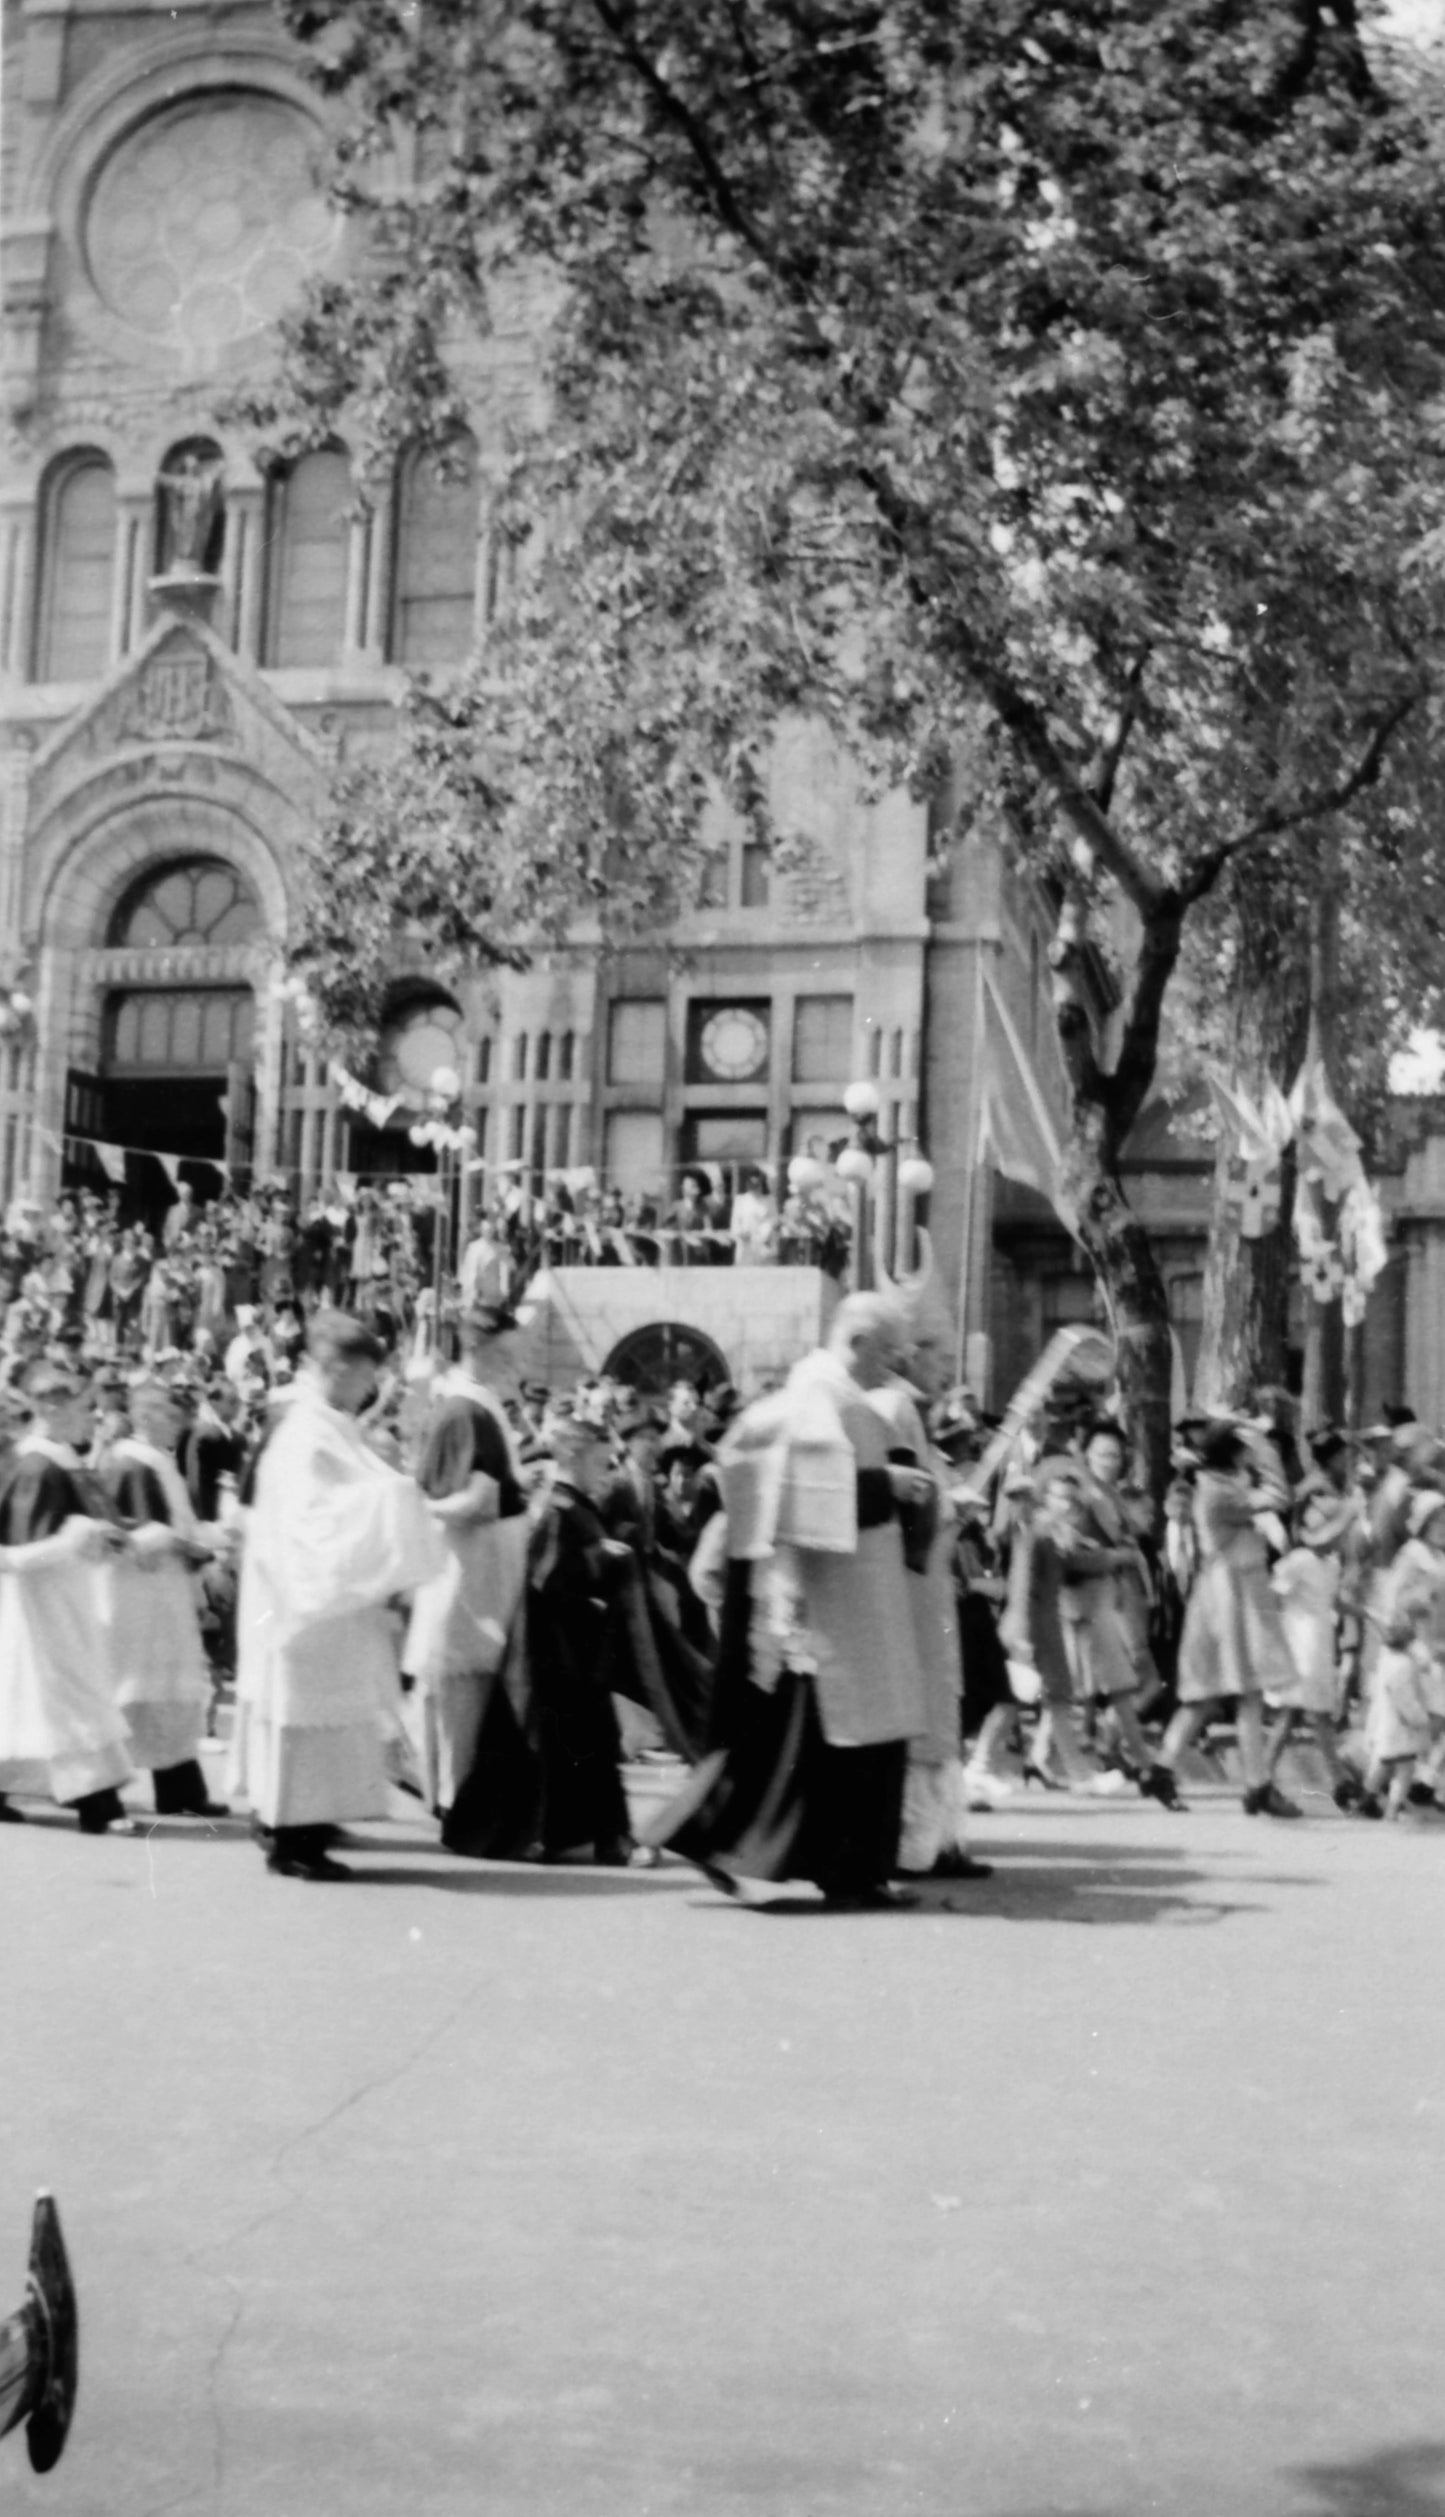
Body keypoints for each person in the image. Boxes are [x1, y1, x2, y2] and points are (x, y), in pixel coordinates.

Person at [645, 1294, 928, 1907]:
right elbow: (798, 1495)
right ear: (855, 1342)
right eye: (888, 1351)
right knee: (804, 1748)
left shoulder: (831, 1394)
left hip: (846, 1593)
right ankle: (848, 1873)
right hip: (827, 1604)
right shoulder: (818, 1396)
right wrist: (888, 1484)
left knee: (788, 1749)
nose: (894, 1365)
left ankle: (841, 1870)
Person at [231, 1313, 446, 1880]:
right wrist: (394, 1498)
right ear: (339, 1368)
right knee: (306, 1721)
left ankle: (309, 1824)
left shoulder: (326, 1423)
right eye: (364, 1375)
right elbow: (312, 1520)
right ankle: (293, 1840)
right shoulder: (305, 1431)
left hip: (327, 1609)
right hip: (305, 1605)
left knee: (325, 1722)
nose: (369, 1387)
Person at [402, 1319, 530, 1846]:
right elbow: (473, 1501)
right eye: (507, 1355)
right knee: (462, 1696)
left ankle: (454, 1799)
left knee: (461, 1693)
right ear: (479, 1350)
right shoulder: (467, 1408)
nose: (515, 1367)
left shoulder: (472, 1404)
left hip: (479, 1570)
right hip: (470, 1572)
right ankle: (457, 1806)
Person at [0, 1362, 136, 1833]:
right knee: (65, 1692)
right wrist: (75, 1538)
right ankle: (97, 1803)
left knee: (39, 1694)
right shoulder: (36, 1463)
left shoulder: (57, 1457)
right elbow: (16, 1554)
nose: (91, 1419)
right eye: (82, 1409)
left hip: (68, 1593)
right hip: (45, 1601)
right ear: (51, 1408)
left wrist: (99, 1538)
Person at [1143, 1422, 1299, 1817]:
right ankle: (1252, 1784)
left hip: (1230, 1596)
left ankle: (1247, 1782)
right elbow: (1279, 1495)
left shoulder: (1218, 1484)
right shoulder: (1220, 1491)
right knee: (1232, 1693)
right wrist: (1265, 1447)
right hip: (1230, 1600)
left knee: (1223, 1694)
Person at [505, 1404, 636, 1864]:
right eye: (602, 1462)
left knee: (583, 1747)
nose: (608, 1473)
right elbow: (547, 1582)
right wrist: (598, 1573)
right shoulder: (561, 1508)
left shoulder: (574, 1507)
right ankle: (609, 1840)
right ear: (576, 1458)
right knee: (589, 1746)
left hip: (577, 1648)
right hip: (568, 1649)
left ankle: (585, 1836)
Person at [102, 1376, 225, 1817]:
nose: (179, 1424)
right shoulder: (129, 1462)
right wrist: (189, 1547)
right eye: (171, 1416)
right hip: (138, 1597)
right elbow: (128, 1534)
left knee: (169, 1692)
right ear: (143, 1416)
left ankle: (181, 1790)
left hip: (163, 1595)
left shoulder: (157, 1459)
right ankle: (104, 1794)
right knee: (134, 1691)